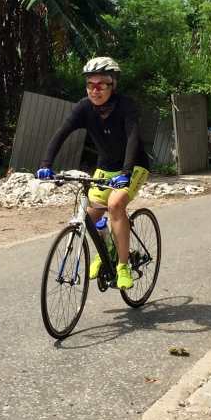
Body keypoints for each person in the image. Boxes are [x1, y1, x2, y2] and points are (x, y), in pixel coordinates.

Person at [35, 57, 151, 289]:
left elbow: (132, 139)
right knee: (91, 216)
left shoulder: (126, 106)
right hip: (105, 166)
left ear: (113, 85)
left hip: (134, 165)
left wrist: (126, 173)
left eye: (100, 85)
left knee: (116, 205)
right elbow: (61, 133)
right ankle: (107, 249)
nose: (94, 90)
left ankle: (123, 266)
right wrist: (46, 164)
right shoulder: (83, 108)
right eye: (90, 85)